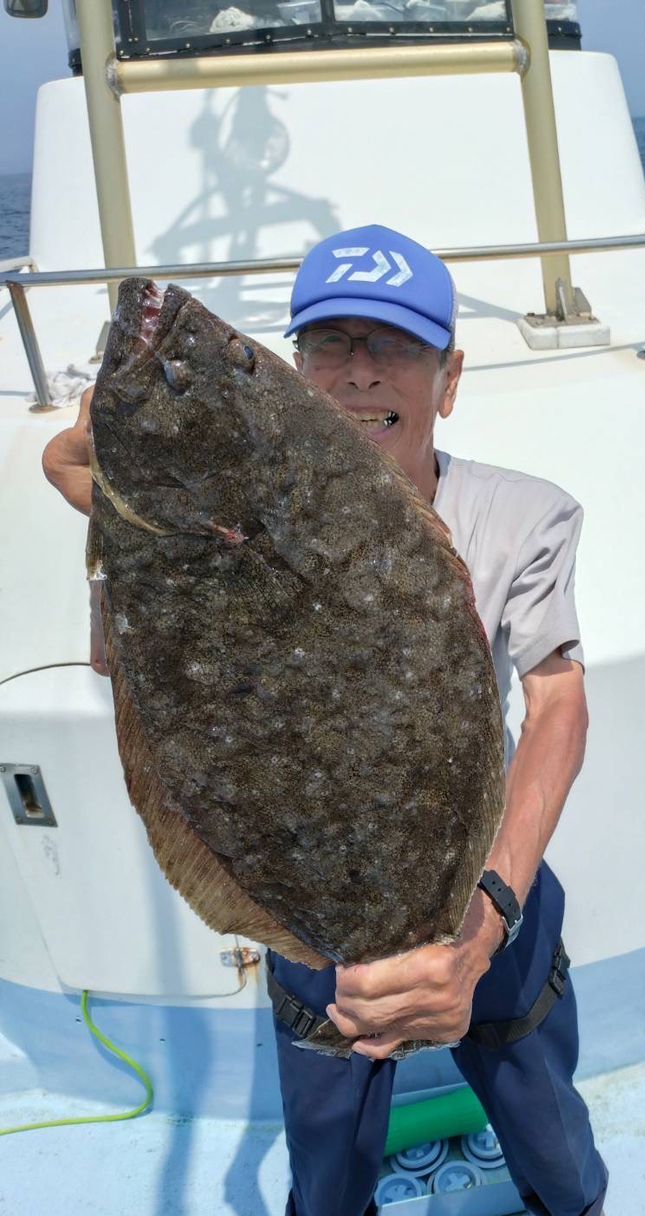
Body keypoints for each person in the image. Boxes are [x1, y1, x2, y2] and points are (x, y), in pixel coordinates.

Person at [41, 223, 608, 1216]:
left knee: (549, 1133)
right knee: (328, 1164)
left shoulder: (526, 516)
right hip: (310, 903)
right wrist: (111, 430)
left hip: (486, 878)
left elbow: (558, 703)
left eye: (395, 346)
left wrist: (481, 930)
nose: (359, 372)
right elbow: (86, 480)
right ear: (294, 372)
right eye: (329, 343)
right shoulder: (211, 512)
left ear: (449, 378)